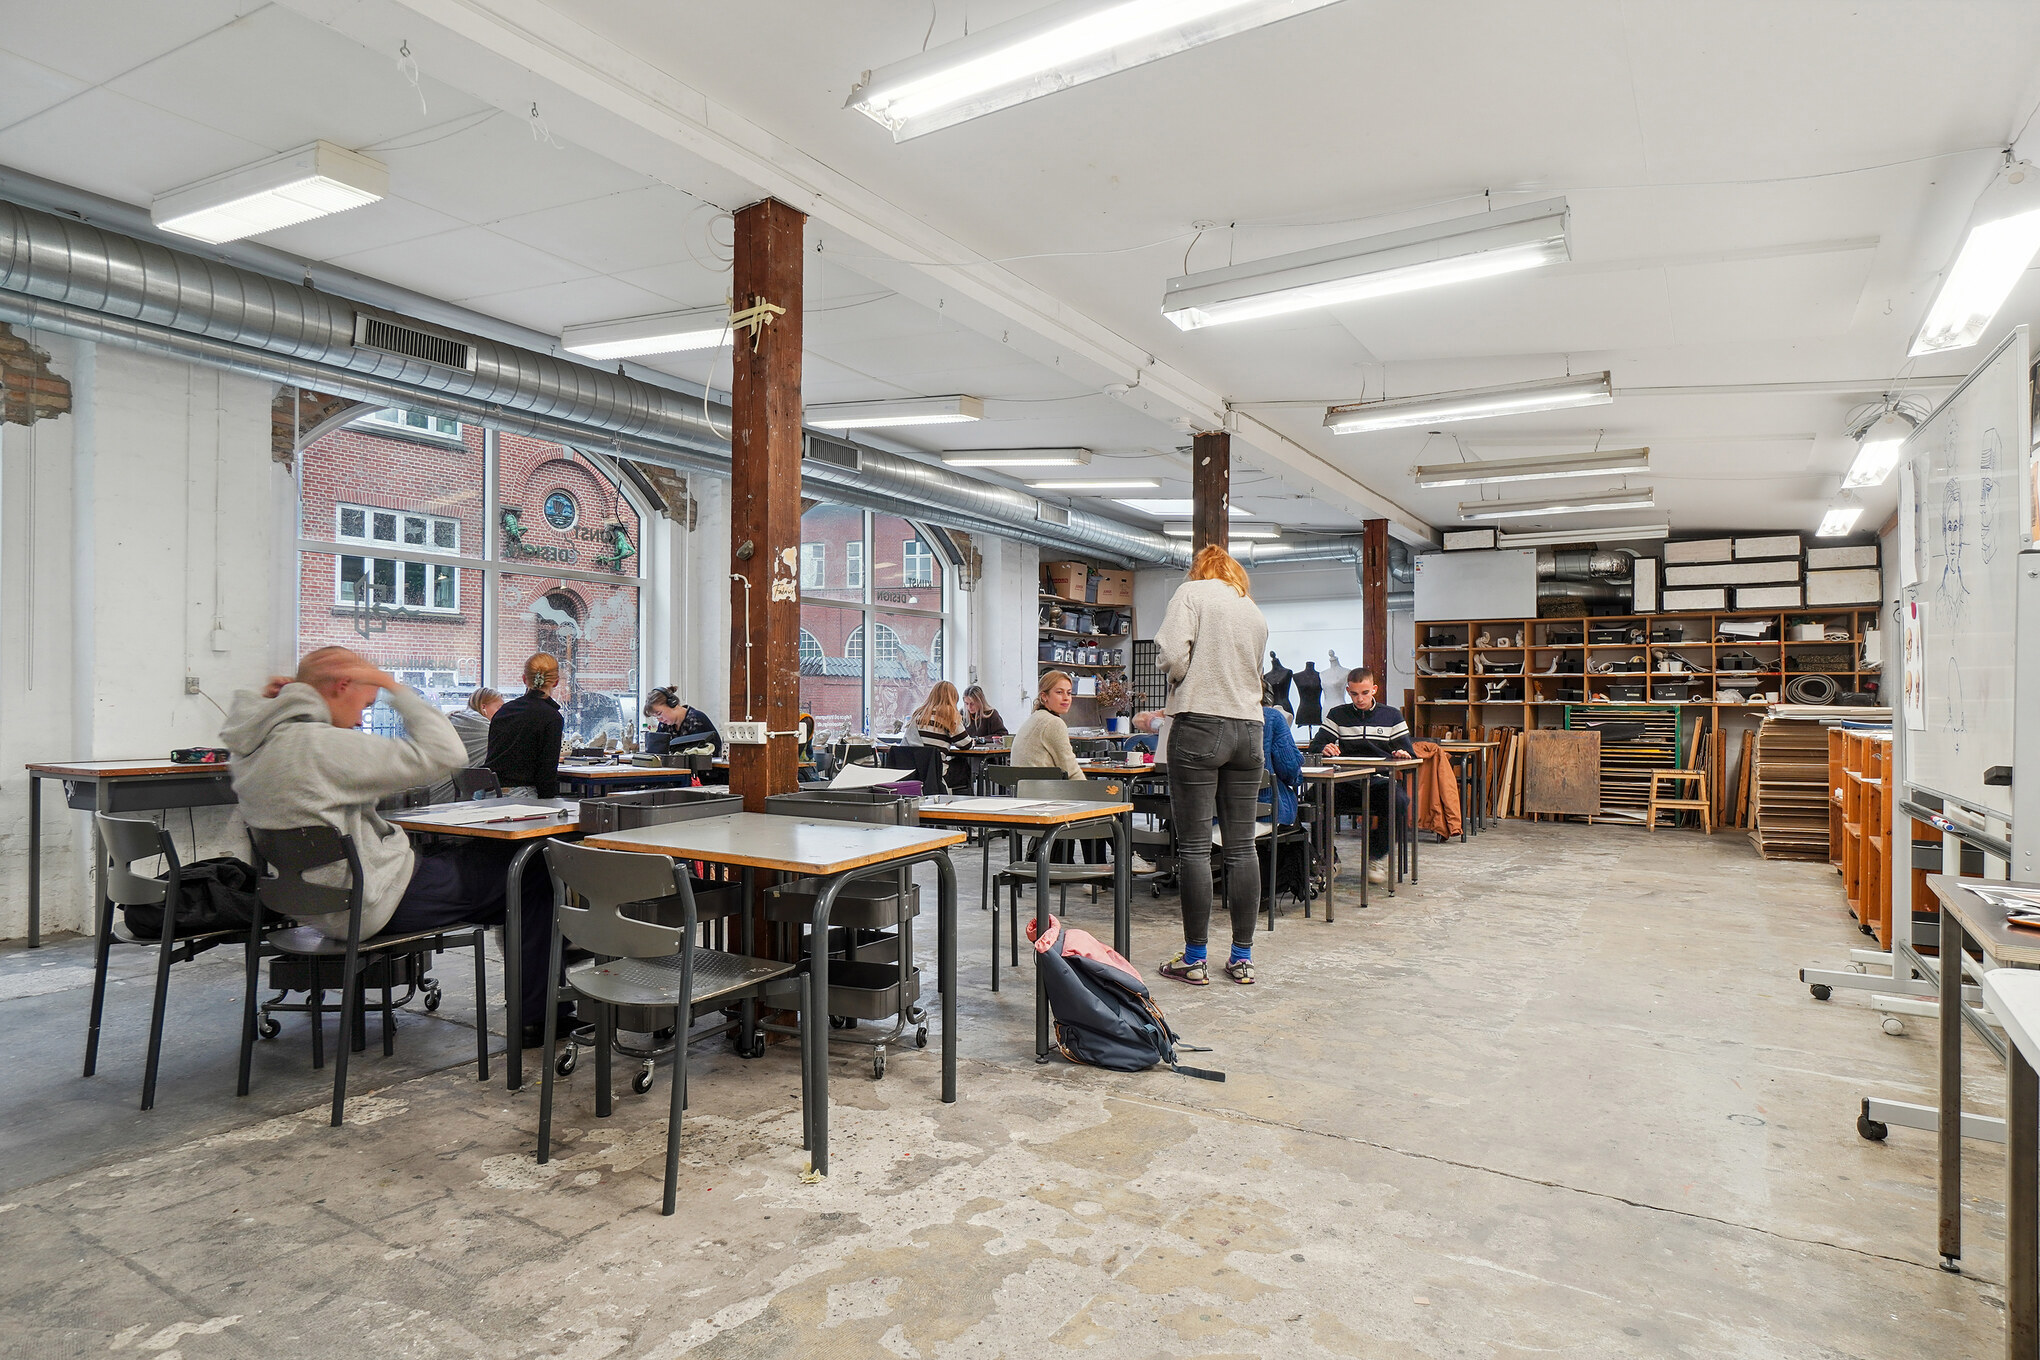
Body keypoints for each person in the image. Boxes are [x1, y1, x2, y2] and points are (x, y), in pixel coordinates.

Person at [220, 647, 564, 1046]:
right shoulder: (320, 746)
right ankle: (538, 1018)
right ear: (343, 685)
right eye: (364, 702)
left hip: (307, 905)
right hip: (371, 901)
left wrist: (289, 700)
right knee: (533, 872)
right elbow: (445, 752)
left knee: (480, 860)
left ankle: (540, 1001)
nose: (361, 717)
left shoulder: (251, 749)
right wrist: (392, 686)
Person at [1155, 544, 1269, 988]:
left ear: (1199, 570)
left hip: (1200, 723)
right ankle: (1242, 959)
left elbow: (1171, 654)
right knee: (1242, 847)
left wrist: (1180, 677)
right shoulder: (1252, 610)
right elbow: (1255, 670)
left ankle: (1195, 958)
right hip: (1249, 729)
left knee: (1196, 848)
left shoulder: (1191, 594)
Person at [1309, 667, 1414, 885]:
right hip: (1346, 781)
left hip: (1379, 782)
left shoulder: (1391, 715)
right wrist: (1325, 747)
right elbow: (1316, 745)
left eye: (1365, 693)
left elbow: (1409, 752)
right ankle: (1327, 857)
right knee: (1314, 800)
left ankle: (1375, 856)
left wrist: (1402, 754)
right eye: (1355, 694)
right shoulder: (1337, 715)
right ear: (1348, 691)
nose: (1360, 699)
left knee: (1400, 801)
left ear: (1374, 689)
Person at [486, 654, 565, 798]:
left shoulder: (504, 710)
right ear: (556, 682)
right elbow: (546, 772)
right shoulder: (552, 717)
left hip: (489, 794)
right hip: (522, 797)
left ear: (524, 679)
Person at [428, 687, 503, 803]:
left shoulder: (455, 717)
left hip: (430, 791)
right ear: (484, 707)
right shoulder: (482, 727)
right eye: (499, 708)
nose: (502, 713)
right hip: (449, 798)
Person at [900, 681, 976, 792]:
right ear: (953, 699)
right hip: (937, 773)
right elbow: (966, 744)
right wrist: (973, 741)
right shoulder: (950, 715)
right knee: (963, 765)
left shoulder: (919, 714)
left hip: (913, 772)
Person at [1010, 670, 1085, 780]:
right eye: (1059, 692)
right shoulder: (1053, 723)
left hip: (1024, 792)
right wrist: (1090, 796)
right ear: (1044, 696)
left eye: (1069, 693)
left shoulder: (1036, 717)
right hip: (1045, 793)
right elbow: (1071, 771)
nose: (1066, 698)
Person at [643, 686, 723, 757]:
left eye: (659, 714)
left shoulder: (696, 719)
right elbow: (657, 750)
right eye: (656, 717)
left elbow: (710, 751)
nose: (659, 720)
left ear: (672, 703)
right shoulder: (664, 725)